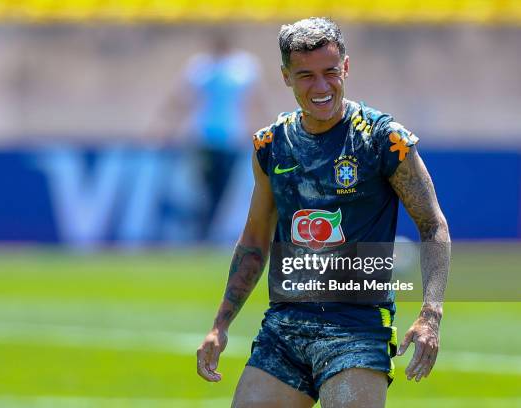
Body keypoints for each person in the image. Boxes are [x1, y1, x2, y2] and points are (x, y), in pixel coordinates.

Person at [196, 17, 450, 408]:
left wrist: (430, 315)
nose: (321, 87)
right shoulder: (271, 145)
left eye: (330, 72)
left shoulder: (385, 140)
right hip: (284, 329)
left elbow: (432, 225)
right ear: (286, 77)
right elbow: (253, 241)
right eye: (306, 76)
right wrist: (220, 325)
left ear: (345, 67)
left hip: (358, 330)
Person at [150, 30, 266, 240]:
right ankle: (203, 230)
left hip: (231, 138)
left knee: (222, 189)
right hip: (204, 137)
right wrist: (167, 126)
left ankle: (207, 230)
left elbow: (254, 102)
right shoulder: (200, 67)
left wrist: (263, 132)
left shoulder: (244, 67)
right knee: (204, 187)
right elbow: (183, 99)